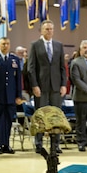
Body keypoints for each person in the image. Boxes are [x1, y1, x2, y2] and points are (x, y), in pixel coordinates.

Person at [28, 20, 67, 154]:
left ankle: (55, 144)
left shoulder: (59, 45)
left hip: (56, 86)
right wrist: (34, 85)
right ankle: (38, 143)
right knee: (41, 115)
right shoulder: (35, 45)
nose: (49, 31)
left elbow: (62, 67)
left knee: (56, 116)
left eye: (51, 29)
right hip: (41, 86)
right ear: (41, 31)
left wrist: (63, 84)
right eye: (46, 29)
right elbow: (31, 68)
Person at [0, 37, 22, 154]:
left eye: (7, 43)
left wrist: (19, 95)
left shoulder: (14, 59)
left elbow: (18, 79)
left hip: (11, 96)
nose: (5, 46)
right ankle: (0, 145)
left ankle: (6, 144)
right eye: (3, 44)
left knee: (9, 121)